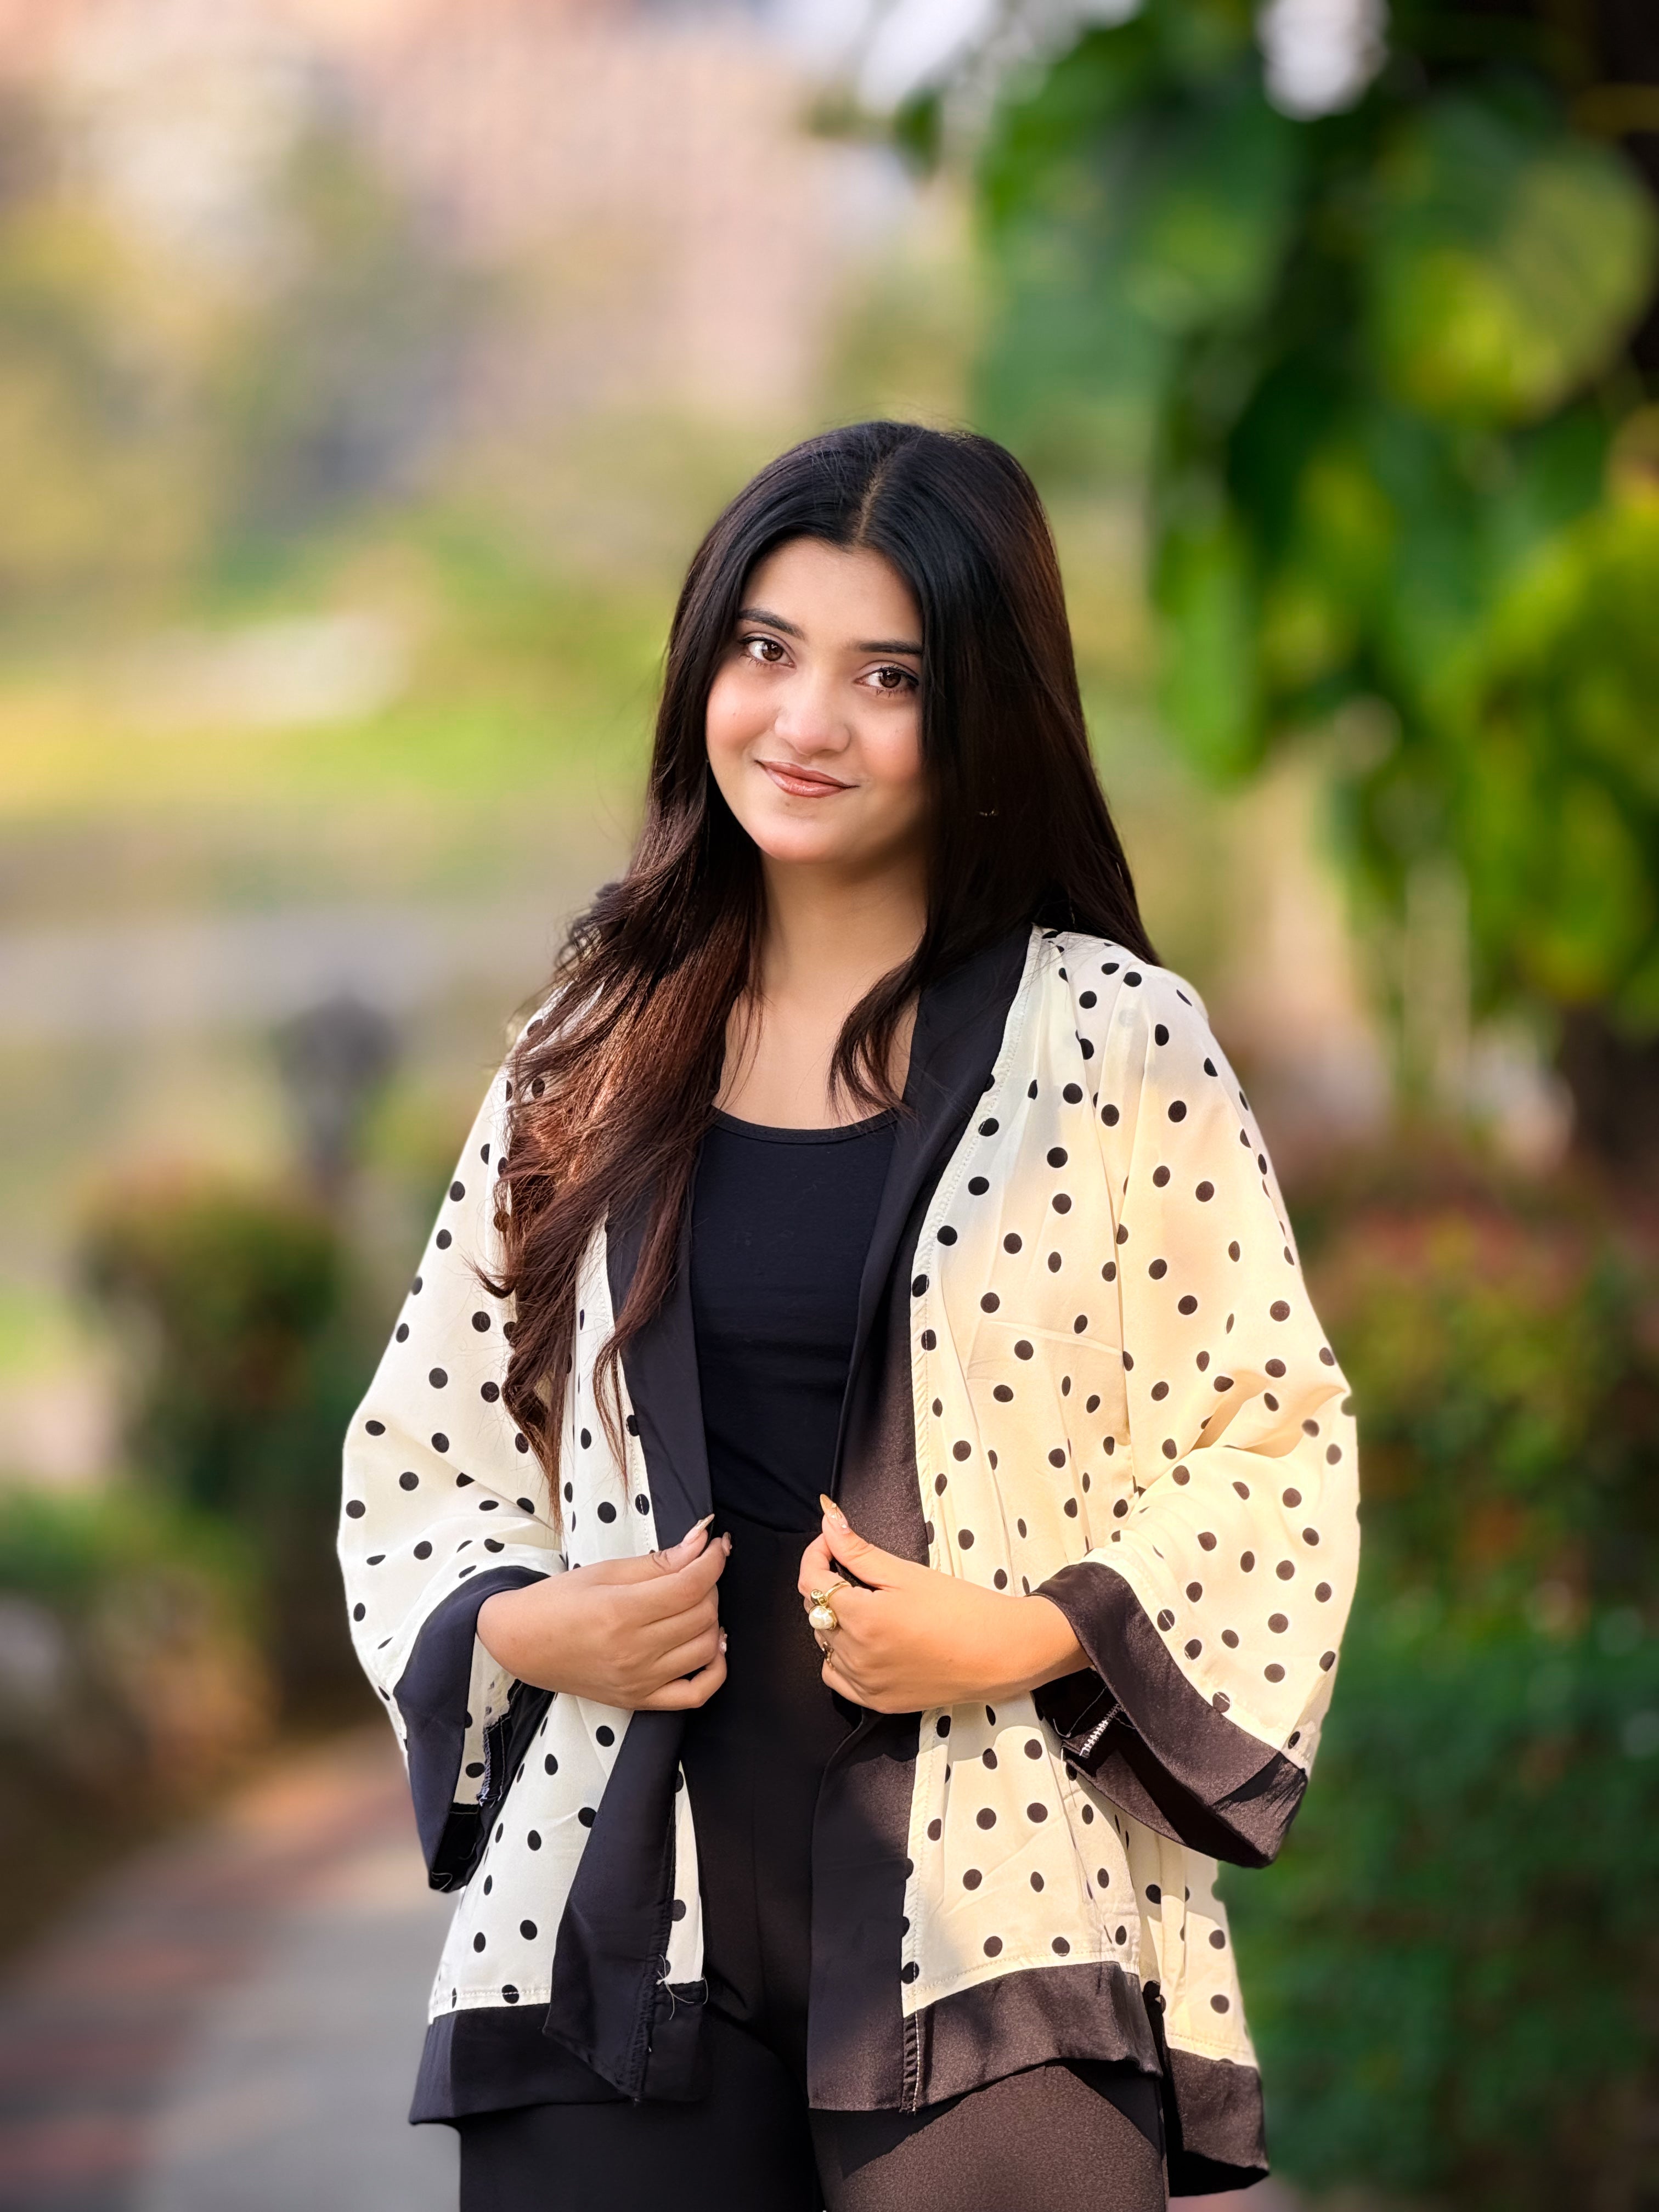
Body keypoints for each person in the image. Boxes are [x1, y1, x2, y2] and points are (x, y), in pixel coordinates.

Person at [339, 421, 1359, 2211]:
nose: (804, 722)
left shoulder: (1114, 1041)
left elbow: (1272, 1443)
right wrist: (523, 1625)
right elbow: (427, 1437)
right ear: (704, 668)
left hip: (994, 1934)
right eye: (765, 648)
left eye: (885, 675)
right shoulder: (590, 1038)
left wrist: (1034, 1635)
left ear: (980, 713)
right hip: (616, 1936)